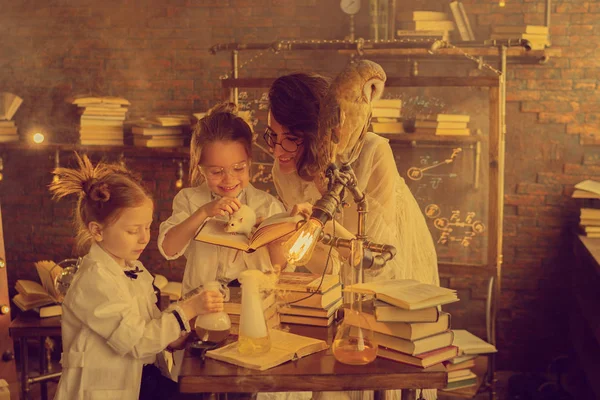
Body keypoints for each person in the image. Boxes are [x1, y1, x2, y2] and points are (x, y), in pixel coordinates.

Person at [266, 73, 439, 400]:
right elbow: (317, 258)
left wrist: (321, 213)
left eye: (289, 138)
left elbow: (377, 263)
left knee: (382, 373)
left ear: (315, 133)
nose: (277, 151)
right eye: (271, 136)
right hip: (334, 289)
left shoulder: (373, 153)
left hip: (389, 273)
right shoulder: (282, 170)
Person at [49, 153, 223, 400]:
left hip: (145, 378)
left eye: (147, 227)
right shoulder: (94, 281)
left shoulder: (134, 269)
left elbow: (149, 326)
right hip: (110, 389)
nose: (144, 238)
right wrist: (186, 310)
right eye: (133, 230)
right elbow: (138, 342)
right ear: (97, 231)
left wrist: (176, 338)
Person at [158, 102, 287, 296]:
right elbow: (168, 249)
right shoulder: (189, 200)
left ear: (249, 162)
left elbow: (281, 269)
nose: (229, 179)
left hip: (256, 304)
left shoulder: (268, 206)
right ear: (200, 168)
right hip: (200, 305)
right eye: (216, 171)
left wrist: (274, 240)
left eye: (238, 168)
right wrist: (203, 213)